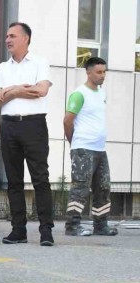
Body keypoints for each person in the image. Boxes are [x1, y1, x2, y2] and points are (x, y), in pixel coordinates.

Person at [0, 22, 55, 246]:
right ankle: (18, 230)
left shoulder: (39, 62)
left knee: (40, 178)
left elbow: (41, 90)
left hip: (34, 125)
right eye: (7, 36)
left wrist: (8, 90)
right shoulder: (2, 68)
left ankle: (46, 230)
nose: (7, 40)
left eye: (12, 36)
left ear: (26, 38)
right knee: (13, 180)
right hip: (9, 126)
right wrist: (18, 89)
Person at [63, 57, 118, 237]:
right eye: (98, 72)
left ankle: (101, 225)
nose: (102, 75)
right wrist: (74, 142)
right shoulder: (79, 94)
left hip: (100, 149)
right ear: (88, 72)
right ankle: (72, 226)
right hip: (83, 148)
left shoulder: (101, 93)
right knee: (80, 187)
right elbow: (67, 121)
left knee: (103, 187)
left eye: (104, 72)